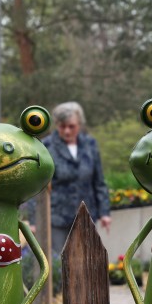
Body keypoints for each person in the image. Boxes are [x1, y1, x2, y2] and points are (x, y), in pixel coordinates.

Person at [42, 101, 112, 259]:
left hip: (86, 214)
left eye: (71, 126)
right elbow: (38, 186)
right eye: (62, 126)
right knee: (59, 261)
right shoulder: (46, 146)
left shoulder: (90, 144)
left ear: (80, 124)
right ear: (56, 125)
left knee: (86, 260)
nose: (67, 131)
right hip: (57, 217)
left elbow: (99, 181)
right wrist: (35, 221)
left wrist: (104, 212)